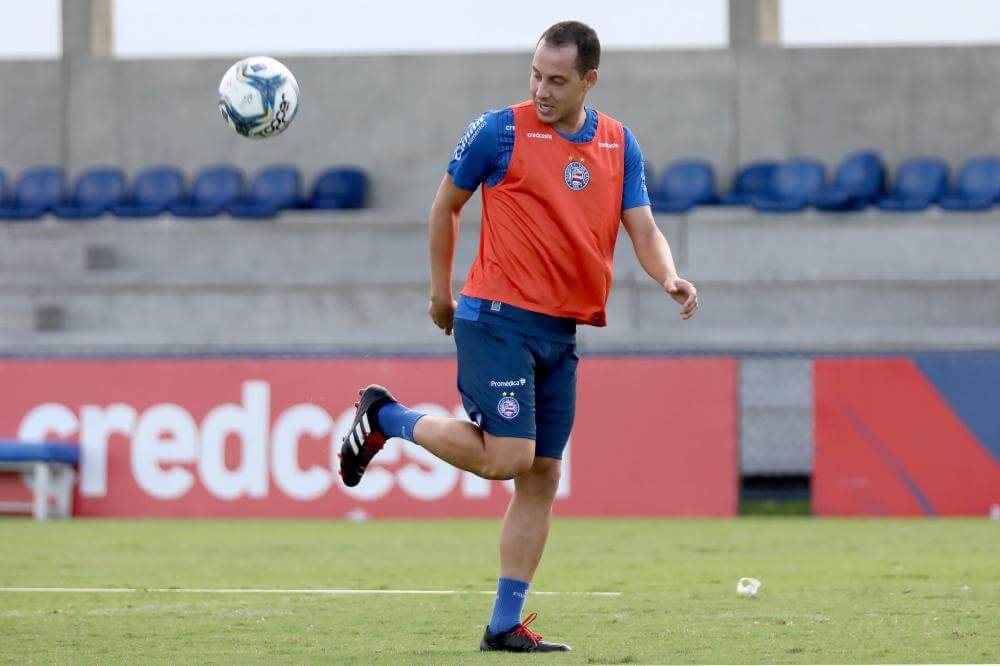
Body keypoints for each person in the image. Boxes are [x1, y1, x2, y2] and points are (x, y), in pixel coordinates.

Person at [338, 19, 698, 653]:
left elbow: (642, 227)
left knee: (542, 476)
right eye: (535, 74)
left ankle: (504, 626)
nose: (541, 90)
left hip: (561, 331)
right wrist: (440, 294)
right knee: (508, 459)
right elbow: (444, 207)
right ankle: (386, 417)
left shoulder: (619, 143)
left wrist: (667, 276)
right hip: (495, 316)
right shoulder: (498, 129)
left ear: (589, 80)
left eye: (556, 80)